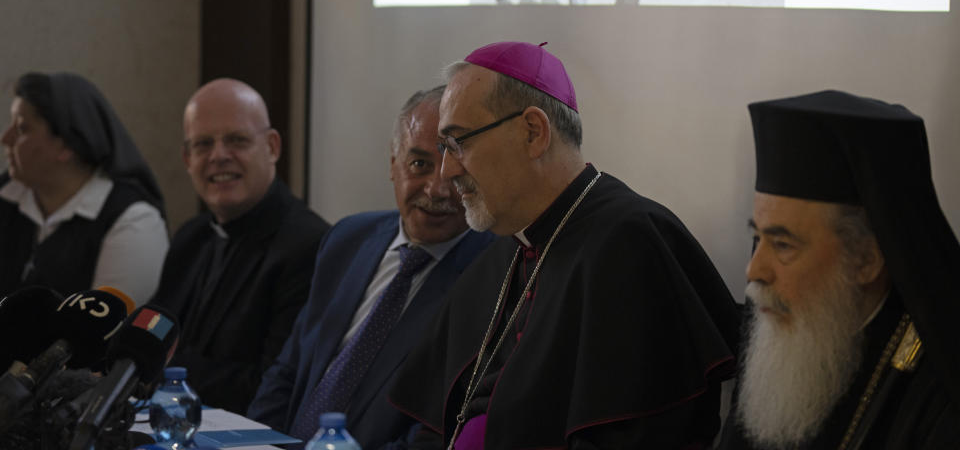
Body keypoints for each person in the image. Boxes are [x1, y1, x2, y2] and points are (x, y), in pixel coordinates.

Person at [390, 41, 740, 448]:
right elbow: (438, 424)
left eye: (459, 143)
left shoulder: (632, 244)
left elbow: (636, 436)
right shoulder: (506, 249)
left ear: (533, 132)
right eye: (444, 149)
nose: (449, 171)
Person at [247, 86, 494, 449]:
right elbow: (289, 372)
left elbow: (440, 433)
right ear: (393, 164)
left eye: (455, 169)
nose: (437, 189)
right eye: (420, 164)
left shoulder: (494, 276)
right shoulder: (347, 239)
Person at [719, 90, 960, 449]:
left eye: (783, 244)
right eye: (758, 239)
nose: (754, 271)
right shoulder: (781, 334)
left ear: (865, 260)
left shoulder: (939, 403)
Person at [151, 78, 330, 414]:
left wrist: (163, 365)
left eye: (237, 140)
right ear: (187, 159)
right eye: (203, 144)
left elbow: (271, 388)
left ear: (273, 147)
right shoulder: (190, 237)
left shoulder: (311, 246)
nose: (219, 156)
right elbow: (152, 334)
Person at [0, 72, 167, 305]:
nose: (5, 139)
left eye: (22, 128)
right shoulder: (7, 193)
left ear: (66, 144)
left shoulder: (132, 222)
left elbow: (102, 333)